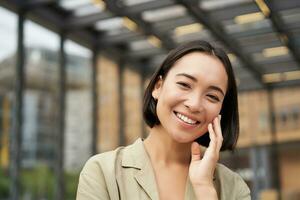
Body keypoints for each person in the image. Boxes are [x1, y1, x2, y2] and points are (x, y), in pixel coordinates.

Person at [76, 41, 251, 200]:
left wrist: (205, 188)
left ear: (221, 110)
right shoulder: (102, 172)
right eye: (184, 85)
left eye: (212, 96)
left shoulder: (234, 188)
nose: (195, 104)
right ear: (157, 87)